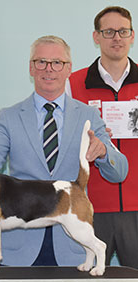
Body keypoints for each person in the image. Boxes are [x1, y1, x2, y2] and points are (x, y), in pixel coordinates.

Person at [0, 35, 128, 267]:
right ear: (31, 67)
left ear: (69, 69)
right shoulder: (8, 116)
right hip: (20, 249)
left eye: (57, 63)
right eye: (41, 62)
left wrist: (104, 153)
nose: (49, 69)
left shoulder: (88, 116)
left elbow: (120, 172)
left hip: (71, 249)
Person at [66, 6, 138, 269]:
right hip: (89, 204)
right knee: (87, 275)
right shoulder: (72, 83)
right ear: (96, 37)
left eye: (123, 31)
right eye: (108, 32)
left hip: (137, 203)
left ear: (132, 36)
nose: (116, 37)